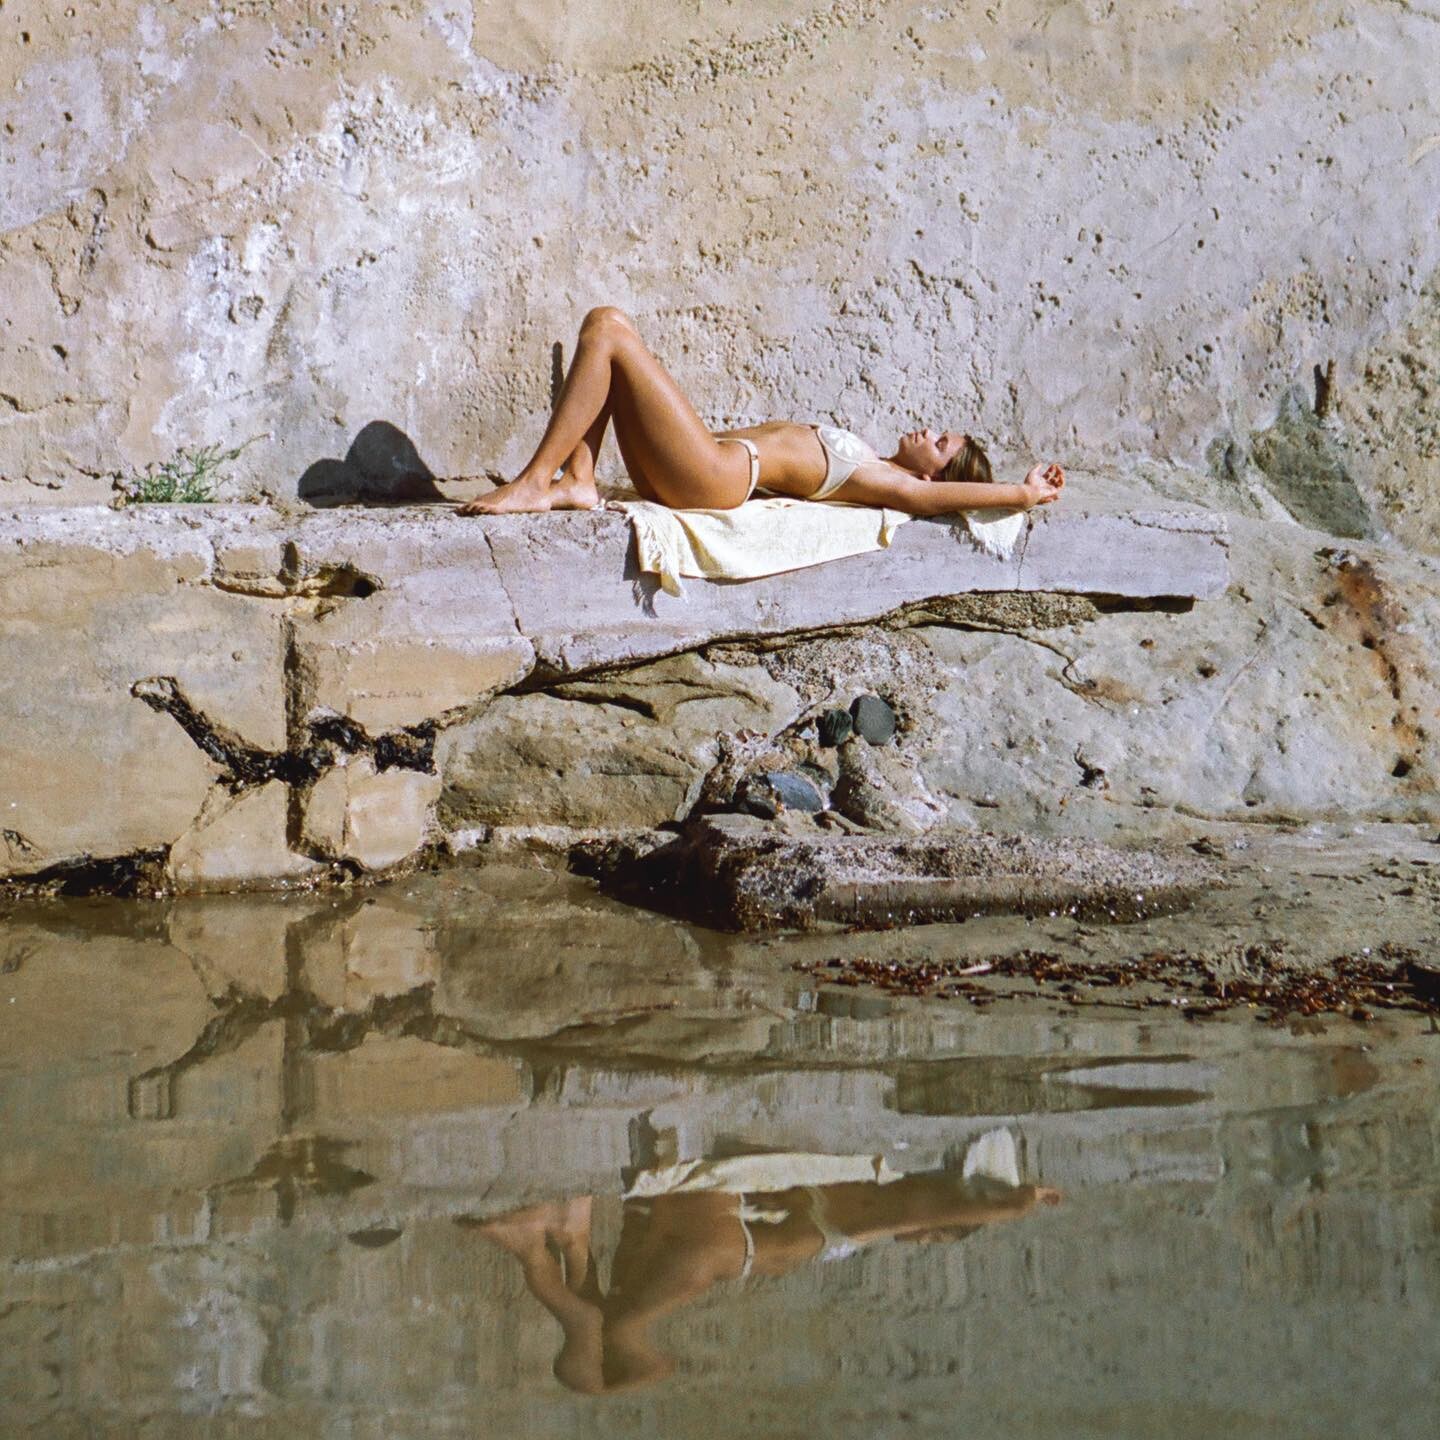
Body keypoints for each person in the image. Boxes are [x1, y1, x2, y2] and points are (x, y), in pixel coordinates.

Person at [454, 306, 1065, 516]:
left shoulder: (891, 483)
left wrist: (1023, 493)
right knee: (608, 326)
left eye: (941, 444)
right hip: (705, 465)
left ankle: (536, 481)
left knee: (610, 333)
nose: (929, 431)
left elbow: (934, 503)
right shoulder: (874, 462)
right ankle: (578, 479)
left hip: (714, 477)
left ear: (932, 475)